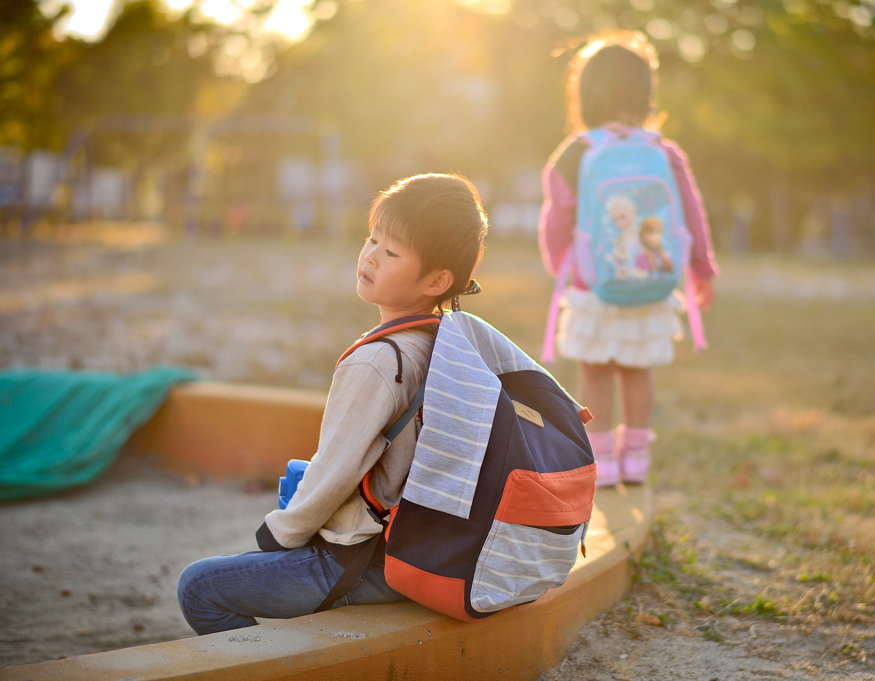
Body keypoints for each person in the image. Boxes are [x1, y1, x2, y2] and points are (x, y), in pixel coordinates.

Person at [177, 174, 488, 635]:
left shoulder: (380, 361)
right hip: (419, 551)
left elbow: (337, 469)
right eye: (372, 238)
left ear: (438, 280)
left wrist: (279, 534)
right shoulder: (447, 342)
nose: (370, 256)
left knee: (199, 587)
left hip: (358, 561)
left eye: (393, 252)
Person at [538, 32, 718, 487]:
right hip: (651, 280)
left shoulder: (575, 154)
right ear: (645, 92)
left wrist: (564, 264)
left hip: (593, 285)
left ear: (584, 92)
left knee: (596, 372)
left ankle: (601, 464)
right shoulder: (662, 150)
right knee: (638, 369)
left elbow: (555, 218)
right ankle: (636, 460)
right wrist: (701, 268)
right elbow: (692, 213)